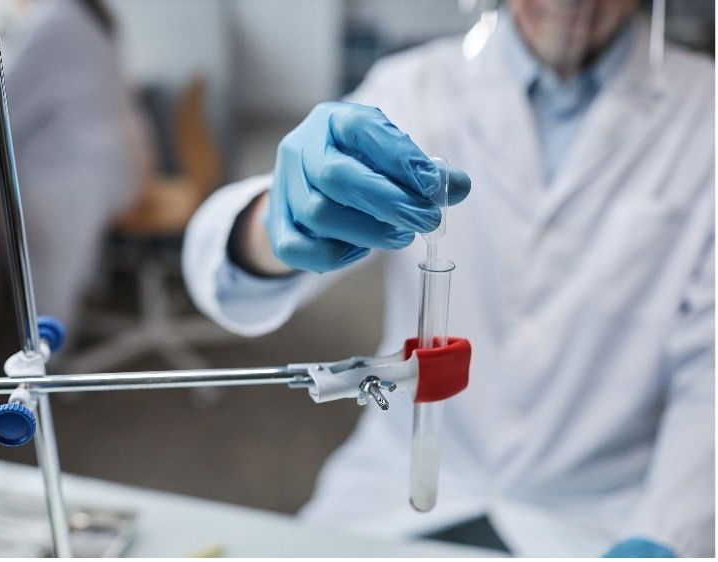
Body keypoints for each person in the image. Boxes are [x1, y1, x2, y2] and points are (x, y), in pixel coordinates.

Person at [182, 0, 714, 557]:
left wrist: (670, 535)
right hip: (392, 488)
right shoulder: (412, 87)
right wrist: (273, 225)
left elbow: (711, 369)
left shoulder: (706, 113)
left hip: (598, 512)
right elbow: (222, 279)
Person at [0, 0, 151, 365]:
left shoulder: (53, 22)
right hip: (119, 171)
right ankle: (68, 308)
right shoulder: (88, 15)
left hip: (76, 181)